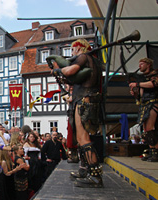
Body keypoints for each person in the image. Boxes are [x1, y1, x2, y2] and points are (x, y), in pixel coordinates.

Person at [51, 38, 103, 187]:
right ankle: (87, 170)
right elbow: (76, 79)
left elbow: (70, 70)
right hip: (86, 99)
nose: (72, 52)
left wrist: (58, 70)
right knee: (81, 139)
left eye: (73, 49)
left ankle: (95, 176)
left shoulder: (83, 56)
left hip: (83, 101)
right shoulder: (93, 61)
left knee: (83, 138)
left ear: (79, 47)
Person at [129, 58, 158, 162]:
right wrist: (135, 93)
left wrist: (137, 85)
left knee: (150, 128)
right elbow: (141, 93)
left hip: (153, 102)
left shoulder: (155, 74)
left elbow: (154, 84)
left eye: (142, 63)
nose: (140, 66)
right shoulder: (142, 78)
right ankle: (152, 151)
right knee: (146, 129)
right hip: (145, 103)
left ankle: (156, 152)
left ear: (148, 64)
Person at [22, 125, 43, 192]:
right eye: (31, 137)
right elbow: (25, 154)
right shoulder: (26, 144)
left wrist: (39, 158)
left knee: (38, 175)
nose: (32, 138)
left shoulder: (37, 144)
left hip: (37, 161)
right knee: (32, 176)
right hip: (31, 161)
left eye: (33, 137)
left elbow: (39, 153)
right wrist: (27, 162)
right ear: (28, 137)